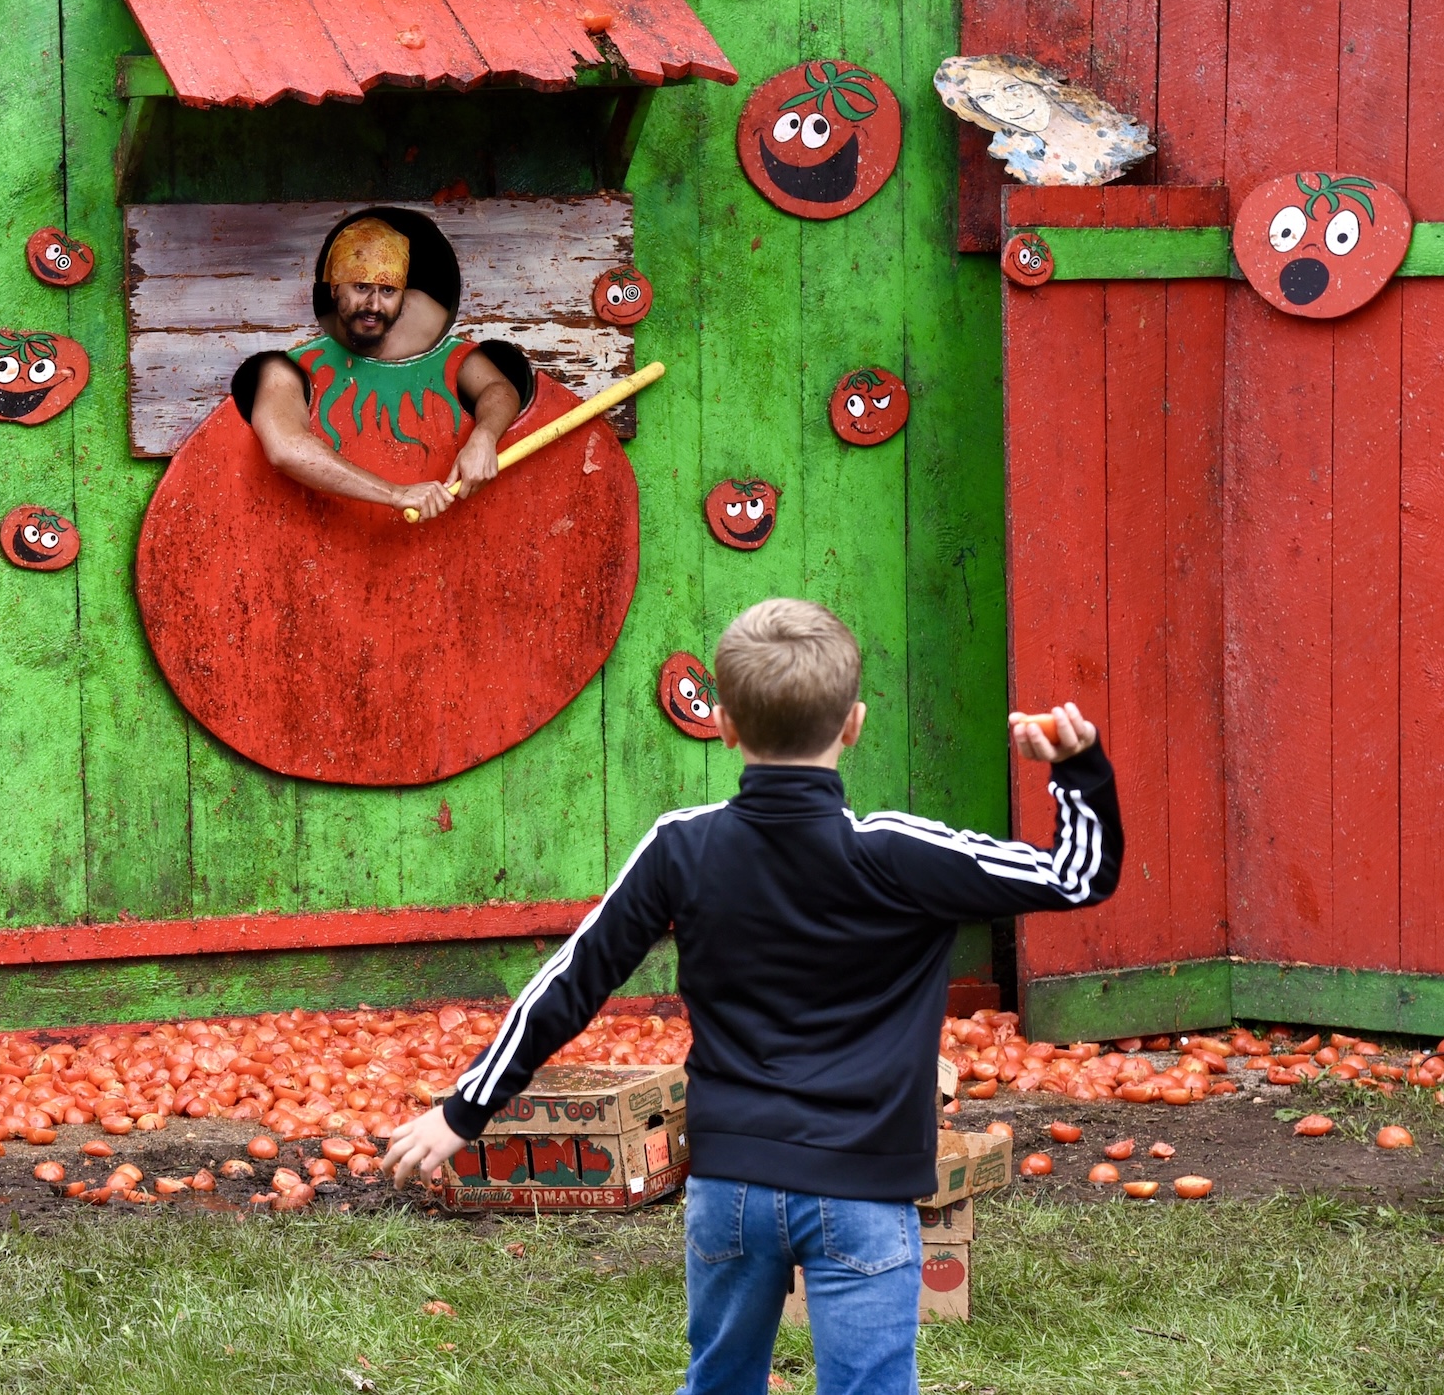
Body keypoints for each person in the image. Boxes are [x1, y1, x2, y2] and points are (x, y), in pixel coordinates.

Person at [383, 597, 1125, 1395]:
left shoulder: (681, 844)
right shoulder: (905, 852)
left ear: (726, 724)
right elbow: (1079, 875)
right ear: (855, 723)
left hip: (730, 1191)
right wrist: (1077, 767)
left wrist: (464, 1109)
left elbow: (572, 980)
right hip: (864, 1193)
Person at [230, 207, 532, 523]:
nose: (374, 306)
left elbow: (497, 388)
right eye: (361, 287)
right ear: (334, 288)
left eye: (388, 291)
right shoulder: (288, 362)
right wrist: (395, 494)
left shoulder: (426, 329)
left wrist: (485, 436)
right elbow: (285, 447)